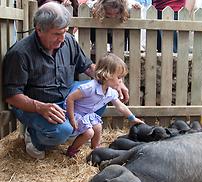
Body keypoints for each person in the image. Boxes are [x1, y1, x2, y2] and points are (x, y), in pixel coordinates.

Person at [2, 2, 129, 159]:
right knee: (62, 131)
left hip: (65, 96)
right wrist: (39, 107)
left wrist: (116, 83)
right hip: (34, 104)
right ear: (39, 30)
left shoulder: (68, 41)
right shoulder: (20, 54)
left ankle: (71, 130)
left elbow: (89, 67)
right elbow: (12, 96)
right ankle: (34, 138)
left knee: (101, 91)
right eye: (56, 34)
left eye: (65, 32)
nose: (62, 38)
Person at [65, 53, 143, 157]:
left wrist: (132, 118)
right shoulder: (90, 88)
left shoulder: (110, 92)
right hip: (76, 114)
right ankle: (72, 150)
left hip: (87, 114)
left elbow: (120, 106)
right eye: (119, 77)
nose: (121, 81)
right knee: (89, 133)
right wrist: (71, 118)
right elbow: (70, 98)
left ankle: (95, 149)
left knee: (98, 127)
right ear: (107, 75)